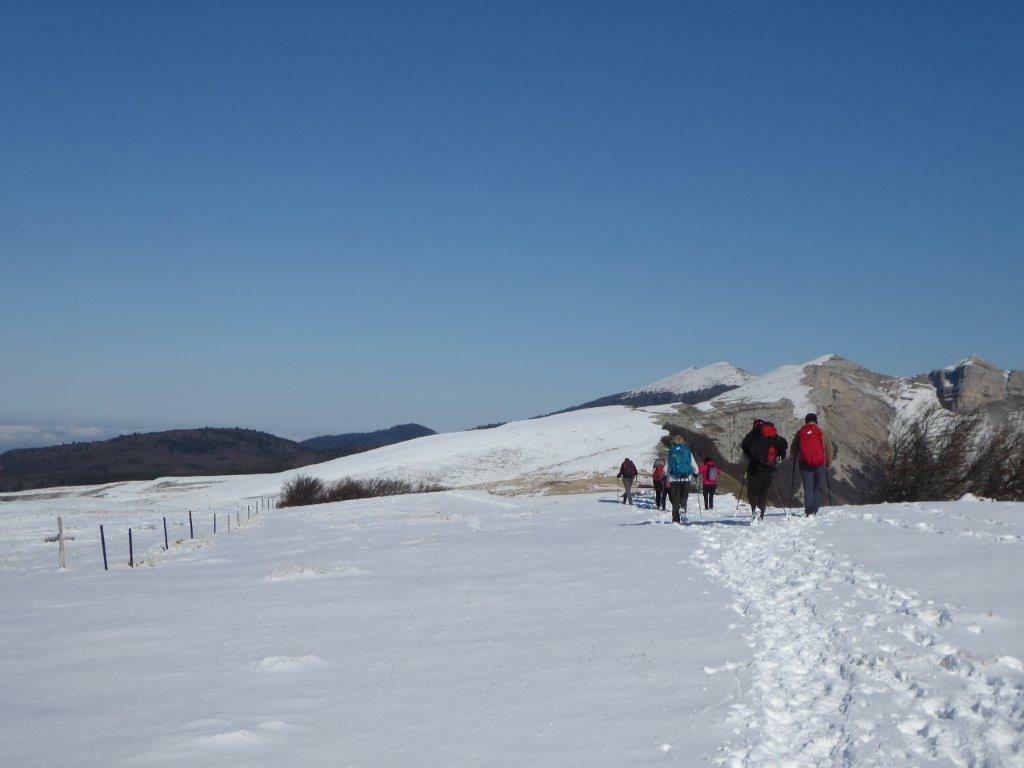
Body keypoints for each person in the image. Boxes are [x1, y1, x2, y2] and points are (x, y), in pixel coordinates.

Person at [740, 420, 788, 520]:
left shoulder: (753, 434)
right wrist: (779, 456)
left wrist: (750, 456)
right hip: (770, 467)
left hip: (755, 467)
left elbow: (744, 445)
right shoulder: (773, 436)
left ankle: (755, 510)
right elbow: (784, 444)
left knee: (752, 492)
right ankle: (760, 515)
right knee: (763, 492)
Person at [791, 413, 835, 516]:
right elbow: (829, 448)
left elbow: (794, 447)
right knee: (817, 488)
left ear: (806, 421)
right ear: (815, 421)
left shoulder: (800, 432)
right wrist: (828, 462)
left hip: (805, 465)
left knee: (808, 489)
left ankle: (808, 511)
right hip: (820, 465)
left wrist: (794, 458)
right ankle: (814, 511)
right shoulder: (821, 432)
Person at [667, 435, 700, 524]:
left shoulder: (672, 451)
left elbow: (667, 467)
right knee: (684, 497)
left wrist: (666, 476)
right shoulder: (687, 451)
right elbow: (694, 465)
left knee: (675, 500)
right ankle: (683, 510)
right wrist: (696, 474)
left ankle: (675, 520)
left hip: (673, 479)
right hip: (686, 478)